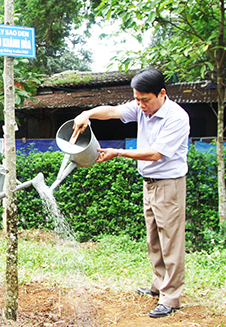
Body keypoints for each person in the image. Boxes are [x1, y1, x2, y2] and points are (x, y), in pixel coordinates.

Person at [73, 67, 189, 318]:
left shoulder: (176, 117)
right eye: (136, 99)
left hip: (169, 184)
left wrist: (119, 152)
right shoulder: (141, 106)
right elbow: (114, 111)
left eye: (144, 100)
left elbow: (156, 153)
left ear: (161, 94)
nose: (140, 105)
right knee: (154, 239)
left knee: (171, 241)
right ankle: (158, 285)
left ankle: (171, 297)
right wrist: (87, 113)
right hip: (149, 182)